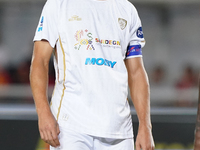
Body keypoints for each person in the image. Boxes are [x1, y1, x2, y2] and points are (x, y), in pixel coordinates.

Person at [30, 0, 155, 150]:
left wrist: (145, 126)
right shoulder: (58, 4)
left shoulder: (127, 10)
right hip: (70, 127)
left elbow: (137, 73)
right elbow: (39, 61)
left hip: (119, 130)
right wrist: (43, 113)